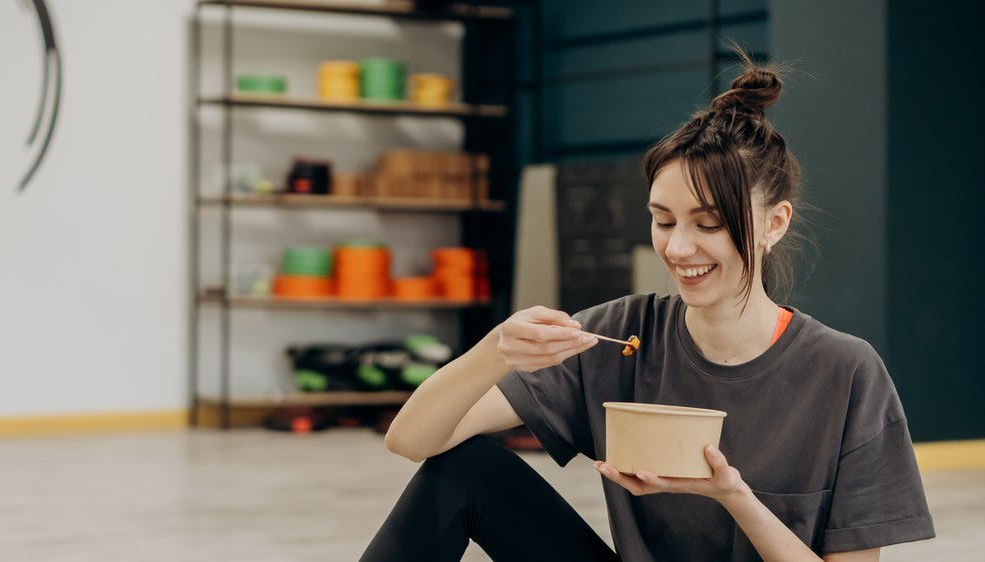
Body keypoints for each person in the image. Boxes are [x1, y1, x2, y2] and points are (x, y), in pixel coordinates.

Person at [360, 55, 935, 561]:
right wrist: (494, 352)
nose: (678, 248)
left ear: (774, 224)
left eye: (708, 223)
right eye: (663, 220)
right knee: (465, 470)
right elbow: (411, 441)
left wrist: (733, 496)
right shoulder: (620, 334)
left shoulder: (845, 373)